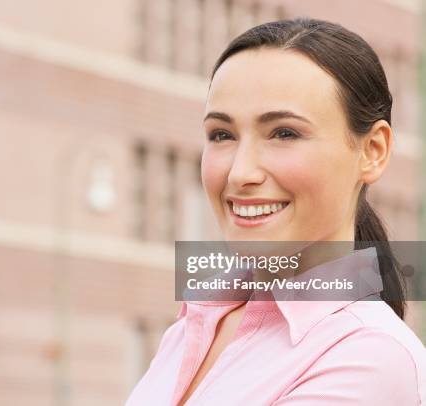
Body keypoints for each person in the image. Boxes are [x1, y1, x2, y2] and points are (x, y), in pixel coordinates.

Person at [125, 17, 426, 405]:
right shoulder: (194, 324)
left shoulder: (371, 359)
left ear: (373, 151)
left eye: (285, 133)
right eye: (222, 134)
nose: (240, 172)